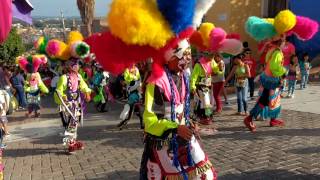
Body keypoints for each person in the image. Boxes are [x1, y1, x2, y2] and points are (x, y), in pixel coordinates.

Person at [244, 36, 287, 132]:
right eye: (284, 41)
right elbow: (274, 66)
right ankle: (249, 119)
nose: (285, 43)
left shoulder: (272, 50)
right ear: (280, 43)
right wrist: (284, 72)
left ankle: (273, 119)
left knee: (274, 99)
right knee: (265, 100)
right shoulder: (277, 53)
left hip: (268, 78)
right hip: (271, 80)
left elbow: (268, 62)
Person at [54, 58, 91, 154]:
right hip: (67, 106)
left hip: (76, 104)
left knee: (75, 125)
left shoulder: (79, 76)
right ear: (69, 67)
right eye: (75, 65)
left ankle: (73, 141)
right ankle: (71, 144)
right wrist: (63, 97)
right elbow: (58, 91)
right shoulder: (64, 77)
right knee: (70, 125)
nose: (77, 67)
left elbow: (83, 86)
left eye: (78, 65)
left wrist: (87, 93)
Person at [190, 52, 222, 125]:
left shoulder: (212, 61)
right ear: (205, 55)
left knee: (209, 101)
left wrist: (219, 67)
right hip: (200, 86)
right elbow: (193, 77)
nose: (212, 57)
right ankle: (204, 117)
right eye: (210, 55)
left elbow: (216, 71)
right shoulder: (199, 64)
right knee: (205, 102)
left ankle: (205, 117)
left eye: (213, 55)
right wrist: (192, 87)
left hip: (208, 85)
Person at [118, 64, 143, 129]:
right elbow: (127, 80)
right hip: (133, 98)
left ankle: (142, 125)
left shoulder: (135, 70)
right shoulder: (128, 71)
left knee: (139, 113)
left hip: (135, 97)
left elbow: (138, 79)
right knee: (132, 115)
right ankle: (122, 125)